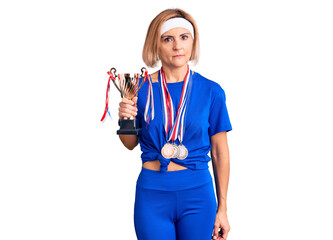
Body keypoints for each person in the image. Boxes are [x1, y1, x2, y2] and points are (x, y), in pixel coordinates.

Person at [118, 8, 232, 240]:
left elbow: (220, 152)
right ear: (156, 45)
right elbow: (130, 144)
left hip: (198, 194)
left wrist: (223, 208)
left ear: (192, 42)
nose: (177, 46)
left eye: (184, 37)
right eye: (167, 38)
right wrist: (125, 119)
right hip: (152, 194)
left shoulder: (212, 91)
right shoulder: (138, 87)